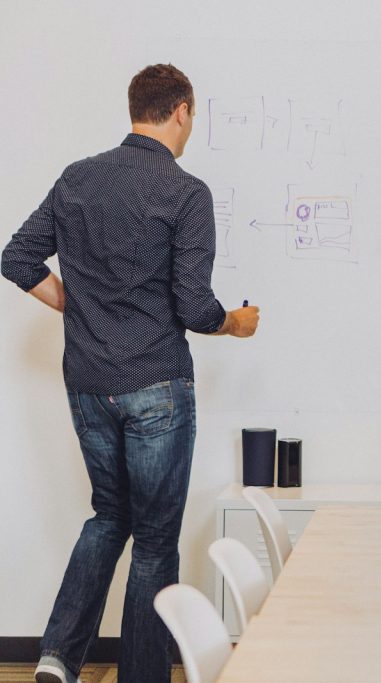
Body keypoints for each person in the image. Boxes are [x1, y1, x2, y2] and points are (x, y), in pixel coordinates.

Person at [1, 64, 260, 683]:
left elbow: (16, 257)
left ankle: (57, 658)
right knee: (153, 538)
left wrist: (73, 301)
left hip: (89, 383)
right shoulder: (185, 192)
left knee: (109, 515)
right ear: (181, 112)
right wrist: (236, 323)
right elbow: (195, 308)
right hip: (156, 384)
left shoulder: (77, 179)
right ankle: (142, 677)